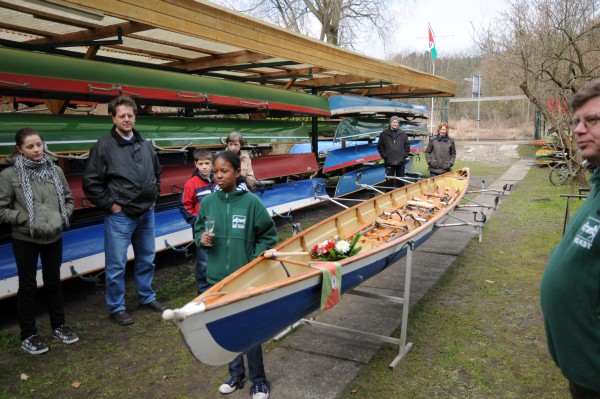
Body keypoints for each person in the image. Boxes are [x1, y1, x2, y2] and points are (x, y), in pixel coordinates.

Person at [195, 151, 276, 399]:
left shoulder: (251, 202)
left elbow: (269, 235)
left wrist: (253, 258)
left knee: (250, 329)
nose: (218, 175)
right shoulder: (208, 203)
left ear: (237, 172)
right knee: (228, 329)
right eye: (215, 171)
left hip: (245, 278)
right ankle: (235, 374)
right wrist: (202, 238)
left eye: (224, 171)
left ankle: (259, 380)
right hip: (218, 277)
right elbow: (198, 230)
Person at [83, 95, 165, 326]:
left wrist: (154, 195)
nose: (127, 119)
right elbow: (91, 183)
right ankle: (117, 307)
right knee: (117, 263)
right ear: (113, 117)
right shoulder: (104, 147)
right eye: (122, 116)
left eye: (130, 115)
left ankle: (146, 296)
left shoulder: (144, 144)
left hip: (146, 212)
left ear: (135, 116)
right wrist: (112, 205)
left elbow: (157, 173)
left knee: (147, 258)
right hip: (121, 216)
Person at [541, 79, 600, 398]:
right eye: (576, 121)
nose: (578, 129)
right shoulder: (598, 186)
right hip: (583, 373)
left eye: (593, 120)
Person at [0, 128, 78, 354]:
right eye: (30, 146)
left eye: (38, 144)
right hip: (26, 238)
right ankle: (29, 335)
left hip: (54, 235)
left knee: (54, 282)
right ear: (19, 150)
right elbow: (1, 209)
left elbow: (68, 198)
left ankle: (59, 326)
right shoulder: (9, 175)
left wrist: (61, 216)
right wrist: (24, 219)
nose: (36, 150)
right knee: (27, 286)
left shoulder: (54, 171)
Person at [178, 149, 214, 294]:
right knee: (204, 262)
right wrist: (197, 222)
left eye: (207, 163)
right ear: (196, 164)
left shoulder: (219, 180)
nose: (204, 167)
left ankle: (221, 287)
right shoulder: (191, 184)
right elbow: (184, 205)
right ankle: (204, 292)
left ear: (212, 163)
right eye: (201, 164)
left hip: (221, 227)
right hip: (203, 229)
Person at [377, 115, 411, 187]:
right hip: (389, 161)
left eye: (396, 122)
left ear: (398, 123)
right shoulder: (384, 134)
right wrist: (384, 155)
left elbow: (407, 145)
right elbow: (380, 146)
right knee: (389, 182)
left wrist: (404, 155)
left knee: (400, 181)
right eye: (393, 122)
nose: (395, 124)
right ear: (390, 123)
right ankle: (389, 195)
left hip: (400, 162)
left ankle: (400, 196)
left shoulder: (403, 133)